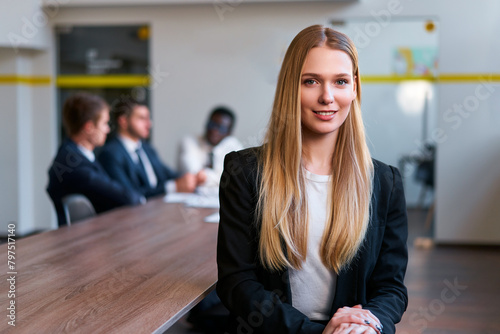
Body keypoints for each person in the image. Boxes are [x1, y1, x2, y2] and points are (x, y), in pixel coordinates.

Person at [217, 25, 408, 334]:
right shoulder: (245, 171)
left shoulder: (385, 182)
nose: (327, 97)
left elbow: (391, 288)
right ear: (290, 87)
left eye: (341, 81)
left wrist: (370, 326)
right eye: (311, 81)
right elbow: (237, 282)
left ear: (355, 88)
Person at [47, 92, 143, 227]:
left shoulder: (74, 154)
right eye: (104, 123)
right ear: (89, 127)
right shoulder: (75, 165)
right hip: (89, 240)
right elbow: (126, 198)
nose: (108, 129)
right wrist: (138, 198)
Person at [98, 99, 205, 198]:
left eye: (148, 118)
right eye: (142, 118)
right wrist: (172, 187)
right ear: (123, 121)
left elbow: (167, 173)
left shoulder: (146, 148)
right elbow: (129, 194)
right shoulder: (110, 154)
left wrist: (192, 177)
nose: (149, 124)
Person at [178, 106, 243, 189]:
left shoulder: (234, 146)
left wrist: (207, 177)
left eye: (222, 128)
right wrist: (219, 177)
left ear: (229, 133)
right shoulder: (189, 141)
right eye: (212, 124)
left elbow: (236, 178)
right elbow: (195, 176)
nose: (214, 130)